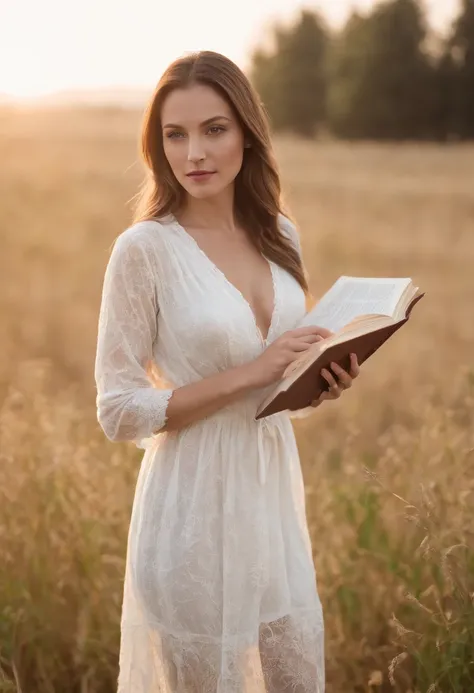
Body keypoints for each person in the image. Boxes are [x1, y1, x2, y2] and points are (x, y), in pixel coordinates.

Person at [94, 50, 360, 693]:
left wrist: (313, 385)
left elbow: (274, 387)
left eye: (214, 129)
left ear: (246, 130)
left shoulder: (280, 235)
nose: (195, 154)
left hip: (271, 499)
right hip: (192, 510)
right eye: (175, 135)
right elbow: (117, 409)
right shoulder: (146, 249)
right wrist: (252, 372)